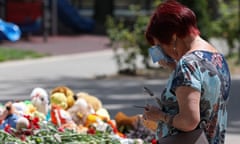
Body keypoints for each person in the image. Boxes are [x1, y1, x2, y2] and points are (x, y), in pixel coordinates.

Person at [143, 0, 231, 144]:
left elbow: (188, 121)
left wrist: (159, 116)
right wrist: (174, 67)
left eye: (159, 46)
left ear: (172, 37)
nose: (160, 52)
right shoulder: (217, 58)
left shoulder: (188, 64)